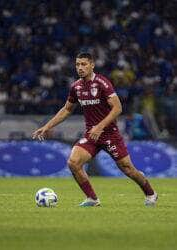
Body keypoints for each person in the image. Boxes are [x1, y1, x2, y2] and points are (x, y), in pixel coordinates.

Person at [32, 52, 157, 207]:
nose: (80, 68)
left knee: (128, 169)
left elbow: (118, 108)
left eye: (84, 64)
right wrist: (47, 126)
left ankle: (150, 193)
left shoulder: (102, 83)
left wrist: (100, 126)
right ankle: (92, 199)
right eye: (77, 64)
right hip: (91, 135)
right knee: (73, 162)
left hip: (110, 134)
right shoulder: (76, 87)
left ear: (92, 65)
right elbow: (67, 109)